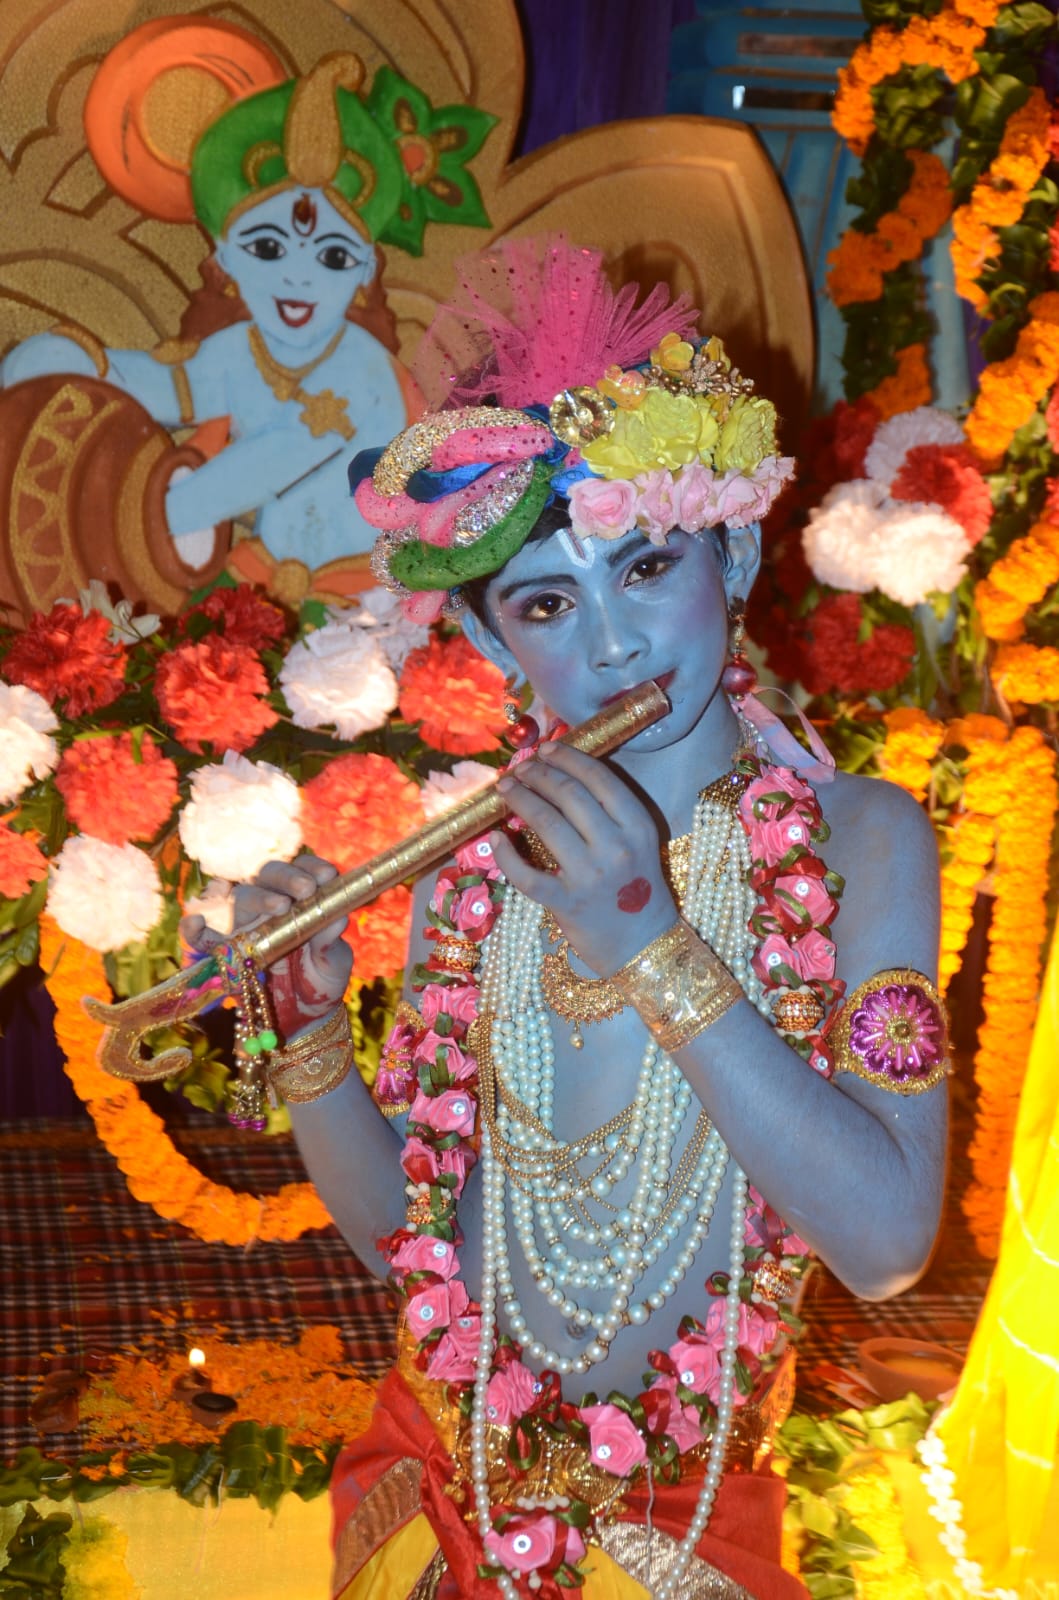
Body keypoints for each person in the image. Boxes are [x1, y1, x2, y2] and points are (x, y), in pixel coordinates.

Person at [186, 239, 950, 1599]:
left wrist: (650, 944)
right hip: (439, 1502)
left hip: (680, 1532)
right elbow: (414, 1248)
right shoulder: (474, 869)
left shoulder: (860, 839)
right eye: (548, 602)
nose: (610, 644)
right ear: (494, 643)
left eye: (644, 567)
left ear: (730, 549)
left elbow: (887, 1246)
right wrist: (306, 1040)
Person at [0, 51, 494, 593]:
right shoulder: (239, 349)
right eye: (267, 249)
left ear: (364, 273)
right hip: (262, 583)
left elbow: (277, 458)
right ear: (225, 258)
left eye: (332, 257)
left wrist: (155, 517)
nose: (298, 278)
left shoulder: (361, 369)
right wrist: (74, 367)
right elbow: (168, 386)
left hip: (364, 591)